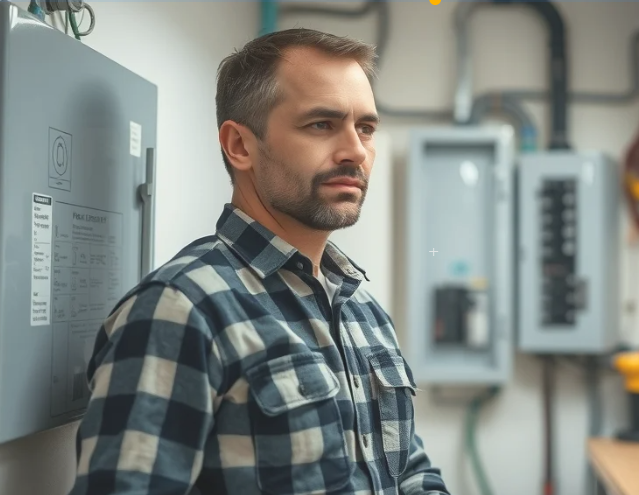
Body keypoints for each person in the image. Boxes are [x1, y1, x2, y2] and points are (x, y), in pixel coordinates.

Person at [68, 28, 450, 495]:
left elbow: (411, 474)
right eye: (321, 124)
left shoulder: (363, 311)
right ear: (240, 146)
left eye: (365, 128)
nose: (356, 151)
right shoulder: (182, 311)